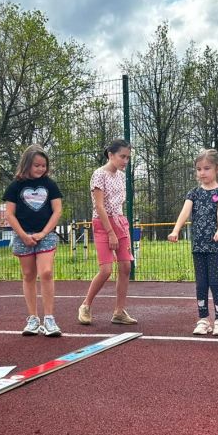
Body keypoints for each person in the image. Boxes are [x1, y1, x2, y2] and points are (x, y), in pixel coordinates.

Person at [168, 148, 218, 336]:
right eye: (198, 169)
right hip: (198, 245)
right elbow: (185, 212)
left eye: (206, 168)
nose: (202, 173)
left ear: (216, 169)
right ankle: (203, 319)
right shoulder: (194, 193)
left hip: (216, 245)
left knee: (214, 281)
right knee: (201, 284)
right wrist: (175, 230)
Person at [2, 145, 63, 336]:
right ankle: (33, 318)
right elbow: (10, 214)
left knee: (46, 272)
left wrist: (44, 233)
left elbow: (57, 211)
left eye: (43, 165)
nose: (40, 169)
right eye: (36, 165)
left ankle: (49, 318)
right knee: (28, 275)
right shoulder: (15, 187)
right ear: (27, 164)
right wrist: (22, 235)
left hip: (45, 236)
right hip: (23, 236)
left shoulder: (50, 185)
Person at [78, 138, 137, 326]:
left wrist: (120, 227)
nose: (125, 161)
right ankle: (86, 305)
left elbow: (118, 204)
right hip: (103, 225)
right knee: (106, 270)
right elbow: (99, 206)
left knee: (126, 266)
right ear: (111, 155)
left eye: (128, 157)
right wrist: (111, 232)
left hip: (120, 222)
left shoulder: (120, 176)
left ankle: (119, 312)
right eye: (122, 156)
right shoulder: (98, 175)